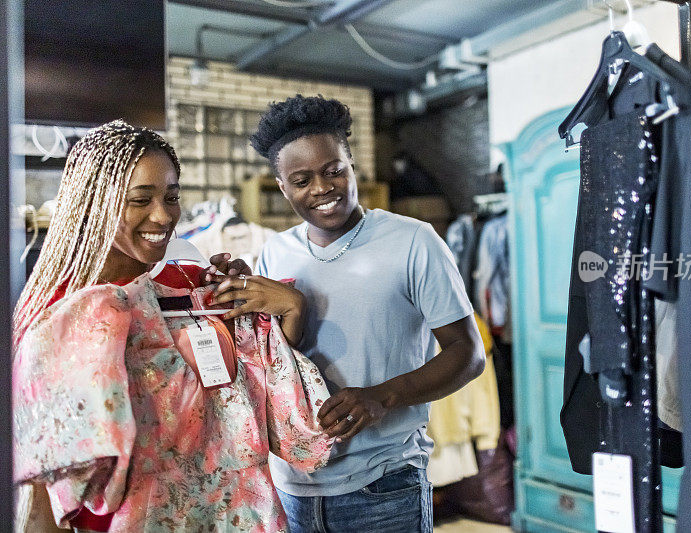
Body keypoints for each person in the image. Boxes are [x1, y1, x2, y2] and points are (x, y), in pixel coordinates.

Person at [12, 120, 322, 532]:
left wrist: (289, 308)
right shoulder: (60, 311)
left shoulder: (191, 283)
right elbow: (41, 485)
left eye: (171, 197)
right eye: (140, 199)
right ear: (93, 203)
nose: (162, 216)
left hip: (236, 516)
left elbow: (263, 378)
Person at [246, 94, 486, 532]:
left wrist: (381, 396)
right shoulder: (274, 253)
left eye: (334, 171)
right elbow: (275, 363)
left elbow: (467, 354)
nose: (321, 188)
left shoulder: (414, 241)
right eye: (301, 180)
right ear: (283, 187)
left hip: (384, 486)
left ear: (352, 164)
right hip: (290, 489)